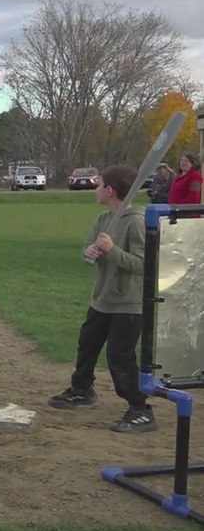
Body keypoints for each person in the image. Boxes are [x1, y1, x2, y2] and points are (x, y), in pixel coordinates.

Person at [48, 165, 155, 433]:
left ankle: (140, 408)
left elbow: (145, 264)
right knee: (87, 344)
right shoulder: (103, 219)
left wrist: (112, 250)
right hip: (102, 299)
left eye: (99, 185)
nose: (95, 189)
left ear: (109, 190)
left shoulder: (136, 222)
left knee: (119, 356)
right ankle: (82, 389)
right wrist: (90, 252)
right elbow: (89, 250)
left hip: (128, 304)